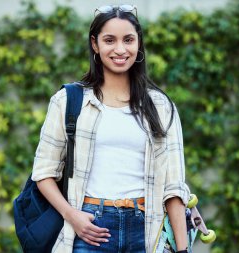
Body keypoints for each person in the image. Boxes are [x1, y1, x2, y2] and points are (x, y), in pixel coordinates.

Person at [31, 4, 191, 253]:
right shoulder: (68, 101)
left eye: (128, 40)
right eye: (109, 40)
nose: (120, 49)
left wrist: (183, 250)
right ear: (95, 45)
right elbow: (43, 172)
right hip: (89, 230)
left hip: (146, 231)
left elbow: (174, 187)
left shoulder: (161, 106)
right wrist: (72, 215)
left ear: (138, 43)